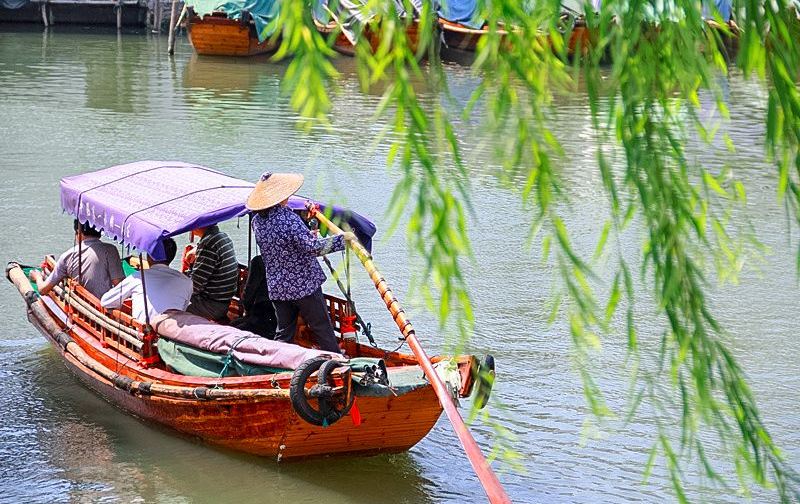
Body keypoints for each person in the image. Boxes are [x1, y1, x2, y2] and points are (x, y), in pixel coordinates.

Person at [246, 172, 356, 353]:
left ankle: (277, 362)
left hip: (278, 286)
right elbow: (313, 248)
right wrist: (342, 239)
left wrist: (308, 228)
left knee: (283, 333)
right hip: (303, 285)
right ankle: (337, 362)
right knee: (322, 329)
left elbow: (287, 243)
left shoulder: (257, 222)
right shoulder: (288, 219)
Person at [100, 238, 193, 324]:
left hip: (142, 333)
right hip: (172, 331)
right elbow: (183, 308)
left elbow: (106, 301)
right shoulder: (187, 282)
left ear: (149, 256)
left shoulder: (137, 277)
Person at [30, 219, 124, 299]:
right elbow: (120, 285)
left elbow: (43, 290)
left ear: (78, 232)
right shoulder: (110, 250)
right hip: (103, 306)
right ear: (99, 232)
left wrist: (37, 277)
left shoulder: (67, 256)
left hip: (82, 305)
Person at [185, 224, 239, 321]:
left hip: (212, 305)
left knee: (170, 303)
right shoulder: (223, 236)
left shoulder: (208, 245)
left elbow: (194, 287)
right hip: (223, 301)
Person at [229, 255, 277, 338]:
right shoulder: (287, 261)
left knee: (231, 329)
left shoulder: (259, 261)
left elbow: (249, 293)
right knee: (235, 323)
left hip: (264, 317)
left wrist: (247, 309)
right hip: (278, 316)